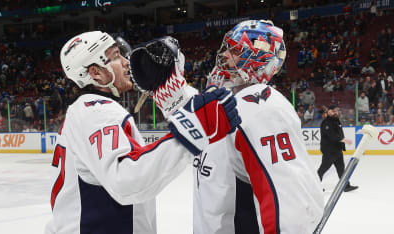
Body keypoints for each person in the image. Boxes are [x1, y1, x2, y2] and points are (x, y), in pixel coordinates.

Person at [45, 31, 240, 234]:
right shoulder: (97, 112)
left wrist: (177, 99)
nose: (125, 61)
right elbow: (126, 180)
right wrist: (190, 130)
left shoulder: (87, 110)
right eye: (115, 56)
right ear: (96, 73)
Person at [194, 20, 324, 234]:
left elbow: (284, 196)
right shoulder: (232, 103)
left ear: (257, 60)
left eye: (234, 50)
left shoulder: (261, 109)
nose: (224, 55)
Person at [317, 105, 358, 192]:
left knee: (341, 169)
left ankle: (346, 186)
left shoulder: (336, 121)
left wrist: (342, 143)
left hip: (337, 150)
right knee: (323, 169)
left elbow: (338, 133)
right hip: (329, 150)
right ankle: (315, 187)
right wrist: (343, 140)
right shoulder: (326, 122)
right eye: (333, 111)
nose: (335, 112)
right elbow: (331, 135)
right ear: (328, 112)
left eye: (337, 111)